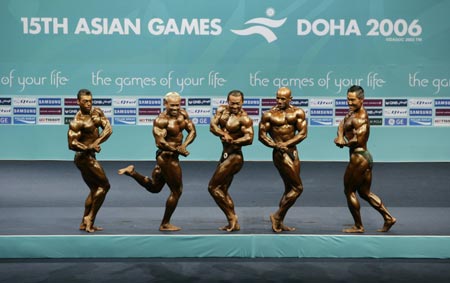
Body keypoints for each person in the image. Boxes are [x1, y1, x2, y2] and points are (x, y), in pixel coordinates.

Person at [118, 92, 196, 231]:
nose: (175, 108)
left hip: (172, 156)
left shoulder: (183, 114)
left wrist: (184, 145)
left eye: (177, 105)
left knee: (155, 188)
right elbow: (160, 142)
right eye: (172, 105)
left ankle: (132, 172)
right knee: (177, 191)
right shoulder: (161, 120)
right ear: (165, 104)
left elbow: (192, 131)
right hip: (166, 158)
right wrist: (177, 150)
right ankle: (165, 223)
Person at [334, 85, 396, 233]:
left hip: (359, 158)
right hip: (362, 158)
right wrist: (340, 136)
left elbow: (359, 140)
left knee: (349, 191)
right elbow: (342, 124)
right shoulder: (351, 114)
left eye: (353, 100)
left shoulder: (361, 117)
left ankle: (358, 226)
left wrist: (344, 143)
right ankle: (389, 218)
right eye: (348, 99)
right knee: (365, 193)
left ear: (362, 100)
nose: (349, 103)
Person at [258, 87, 307, 233]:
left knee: (289, 189)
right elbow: (262, 136)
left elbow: (303, 133)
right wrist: (276, 145)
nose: (279, 101)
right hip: (280, 154)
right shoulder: (269, 114)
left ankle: (279, 222)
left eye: (283, 98)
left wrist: (286, 144)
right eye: (277, 98)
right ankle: (276, 216)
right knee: (298, 188)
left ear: (290, 99)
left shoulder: (298, 112)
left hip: (293, 152)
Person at [68, 89, 113, 233]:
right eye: (85, 101)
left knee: (95, 189)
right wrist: (88, 147)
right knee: (105, 186)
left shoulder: (97, 112)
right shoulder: (77, 121)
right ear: (78, 102)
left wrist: (97, 141)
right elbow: (72, 144)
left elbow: (108, 129)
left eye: (90, 100)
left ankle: (83, 222)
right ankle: (90, 218)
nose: (88, 104)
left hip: (90, 155)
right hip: (83, 158)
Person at [208, 90, 254, 232]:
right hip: (225, 154)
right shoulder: (222, 110)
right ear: (228, 101)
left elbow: (249, 138)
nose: (234, 106)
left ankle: (232, 218)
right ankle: (233, 223)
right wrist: (224, 133)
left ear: (242, 102)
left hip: (235, 156)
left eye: (237, 103)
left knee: (213, 187)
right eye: (232, 103)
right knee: (223, 190)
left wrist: (234, 141)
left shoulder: (244, 118)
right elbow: (212, 126)